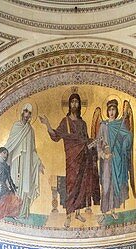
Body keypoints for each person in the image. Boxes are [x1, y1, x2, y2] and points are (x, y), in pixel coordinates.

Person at [40, 92, 100, 227]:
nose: (74, 104)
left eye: (76, 102)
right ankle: (68, 215)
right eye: (72, 102)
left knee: (82, 186)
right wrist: (47, 125)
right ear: (69, 104)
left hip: (84, 159)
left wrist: (94, 143)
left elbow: (86, 140)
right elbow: (56, 136)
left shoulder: (83, 123)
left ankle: (78, 213)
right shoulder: (65, 121)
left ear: (79, 105)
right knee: (71, 186)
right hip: (72, 160)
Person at [91, 98, 133, 222]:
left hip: (117, 159)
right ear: (107, 111)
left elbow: (128, 136)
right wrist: (103, 154)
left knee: (115, 184)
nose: (111, 112)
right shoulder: (104, 125)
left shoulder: (120, 124)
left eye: (114, 109)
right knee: (106, 183)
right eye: (109, 110)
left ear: (117, 110)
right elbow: (98, 142)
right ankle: (104, 211)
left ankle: (113, 210)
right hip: (106, 162)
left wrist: (124, 145)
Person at [4, 104, 44, 219]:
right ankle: (12, 210)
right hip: (16, 160)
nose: (27, 115)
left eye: (30, 113)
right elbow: (10, 143)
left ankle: (22, 212)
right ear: (22, 112)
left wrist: (39, 162)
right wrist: (2, 157)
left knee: (25, 185)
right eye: (26, 112)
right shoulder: (16, 126)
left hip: (26, 163)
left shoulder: (30, 130)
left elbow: (32, 150)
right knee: (14, 183)